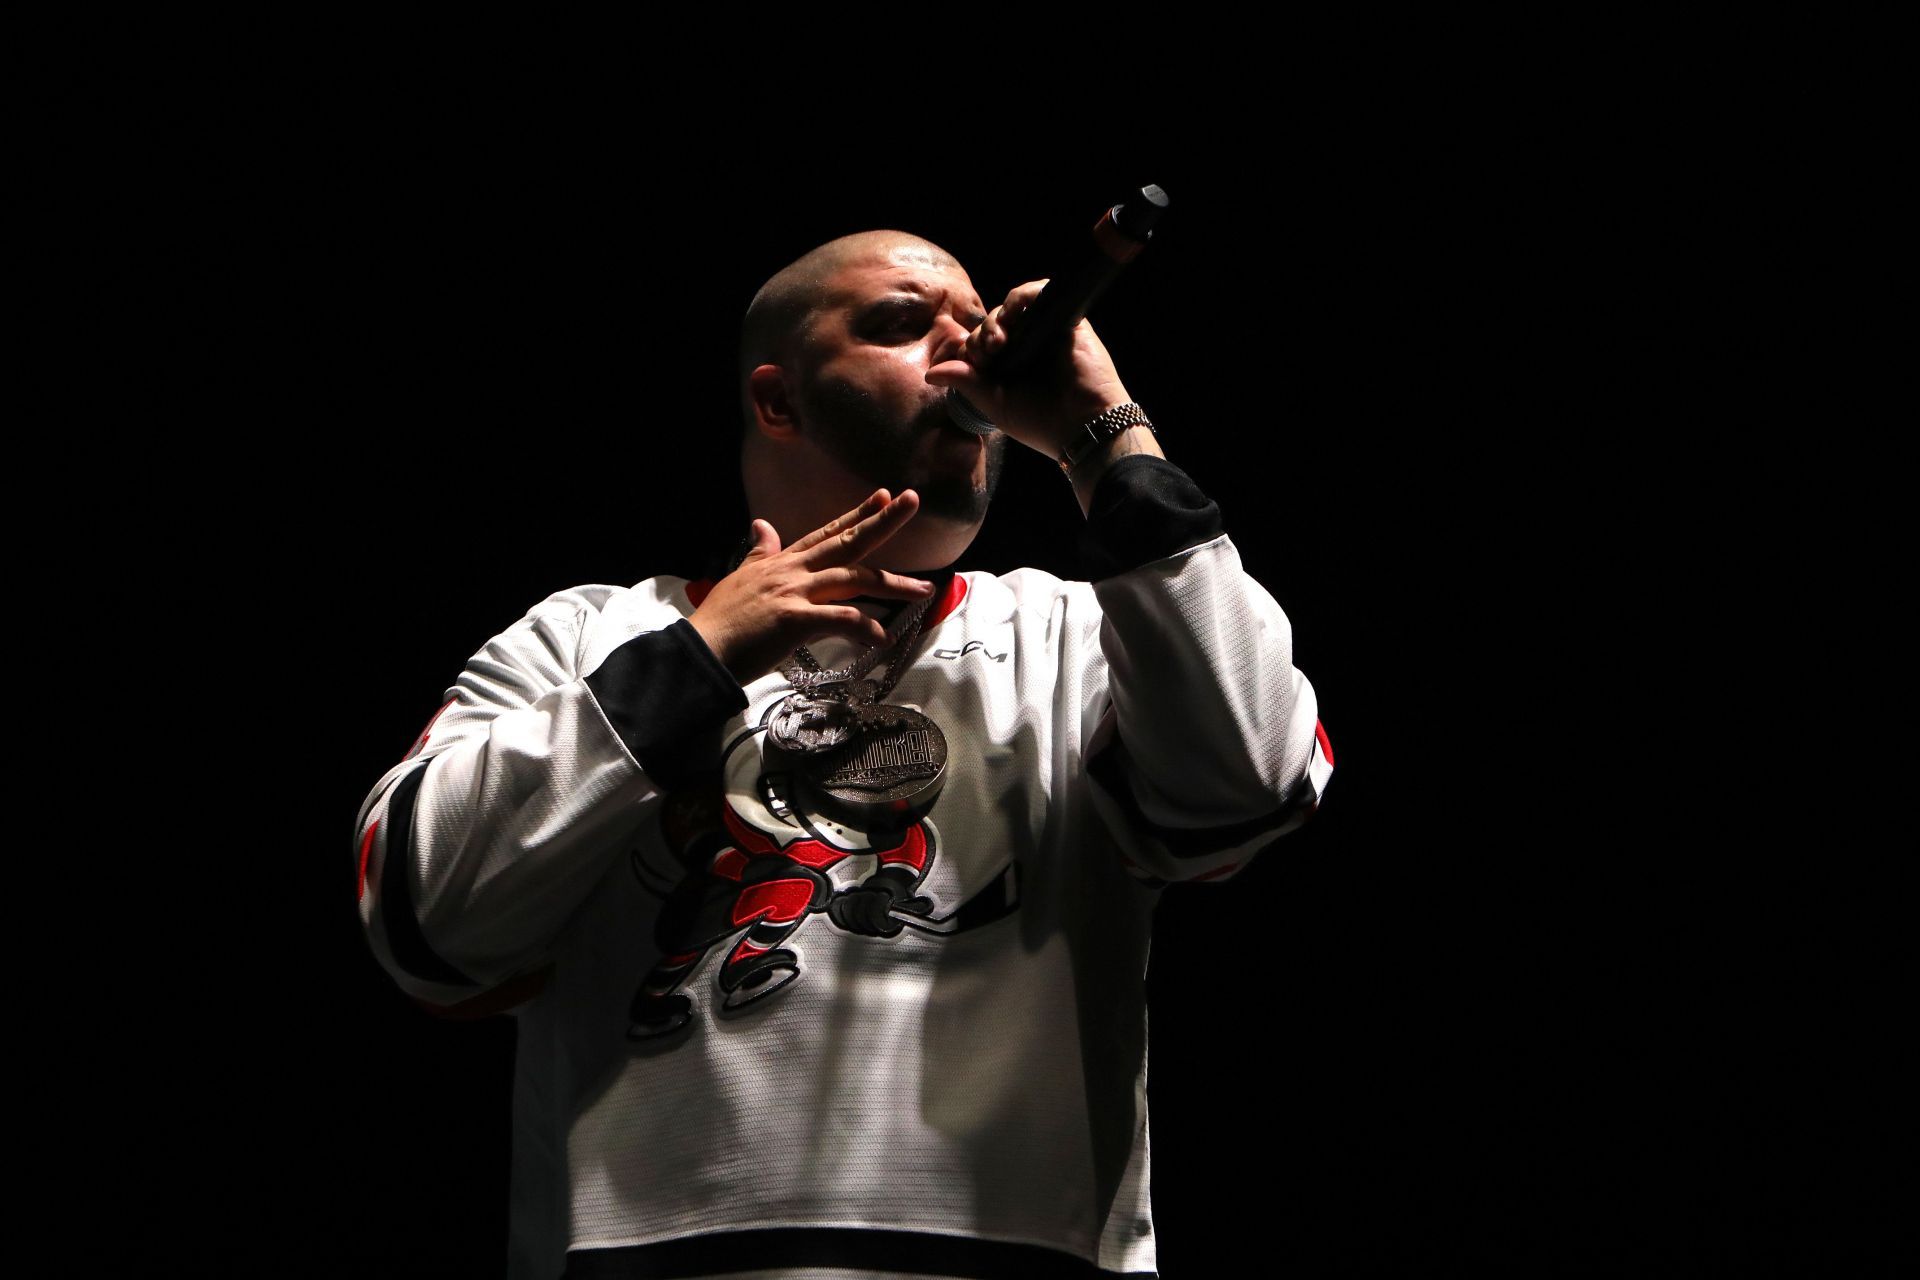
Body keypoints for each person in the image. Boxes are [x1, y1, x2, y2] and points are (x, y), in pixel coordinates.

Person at [353, 229, 1335, 1280]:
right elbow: (426, 927)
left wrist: (1107, 435)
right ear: (780, 401)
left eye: (977, 327)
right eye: (907, 325)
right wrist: (701, 654)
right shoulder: (582, 637)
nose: (971, 354)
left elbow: (1251, 787)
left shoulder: (1076, 634)